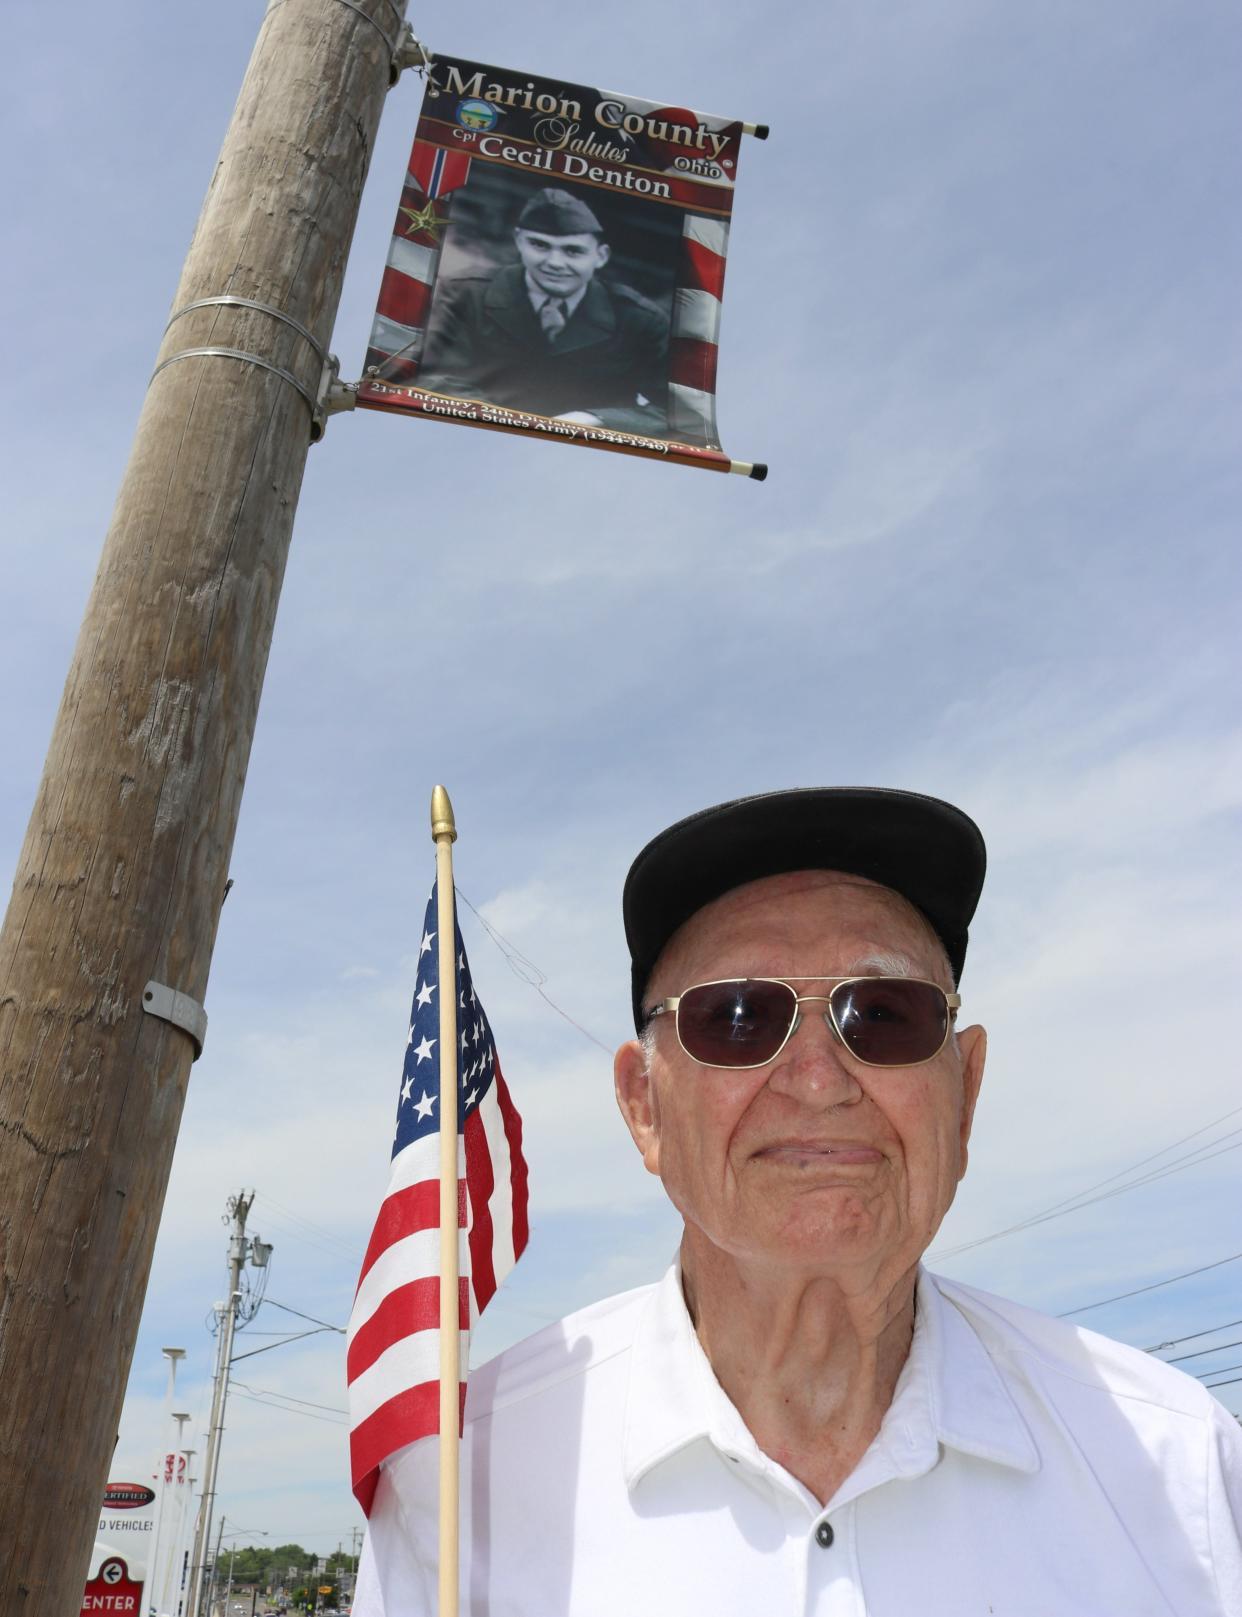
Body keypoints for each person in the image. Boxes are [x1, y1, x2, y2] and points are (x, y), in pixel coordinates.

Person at [355, 787, 1242, 1615]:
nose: (819, 1080)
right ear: (644, 1107)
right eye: (737, 1016)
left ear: (965, 1092)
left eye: (885, 1013)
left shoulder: (1178, 1472)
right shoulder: (460, 1485)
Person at [417, 187, 669, 436]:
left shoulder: (640, 321)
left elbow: (675, 411)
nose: (554, 263)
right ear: (519, 241)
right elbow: (434, 376)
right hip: (480, 438)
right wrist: (508, 424)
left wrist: (594, 420)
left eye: (573, 250)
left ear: (601, 256)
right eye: (539, 245)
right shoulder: (465, 294)